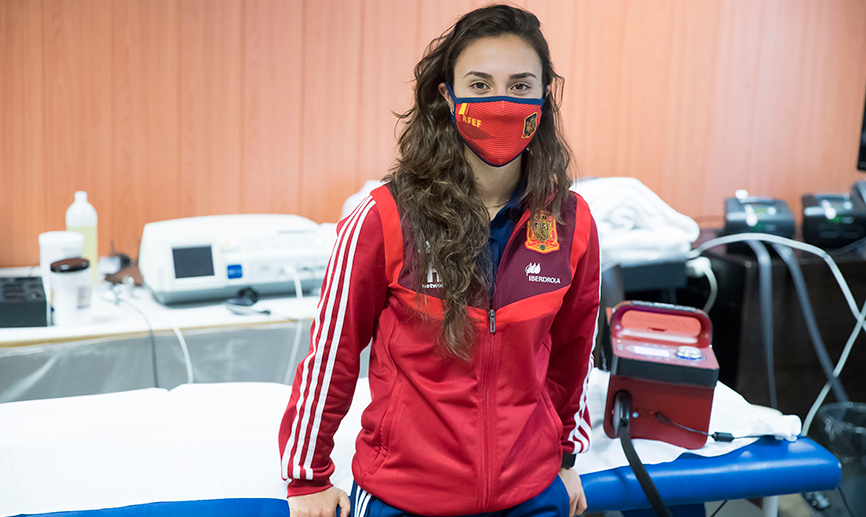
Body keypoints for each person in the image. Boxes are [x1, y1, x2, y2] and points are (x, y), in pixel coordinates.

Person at [279, 5, 599, 517]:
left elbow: (573, 354)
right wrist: (306, 477)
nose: (501, 103)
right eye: (479, 84)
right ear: (448, 96)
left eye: (520, 86)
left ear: (544, 98)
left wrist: (563, 455)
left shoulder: (571, 222)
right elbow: (332, 356)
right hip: (405, 498)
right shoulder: (383, 217)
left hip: (531, 494)